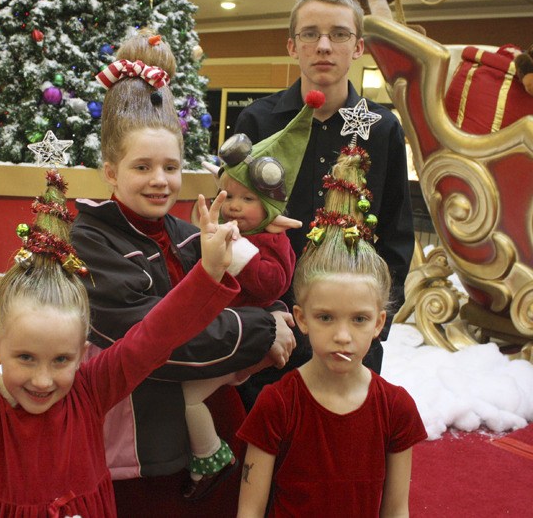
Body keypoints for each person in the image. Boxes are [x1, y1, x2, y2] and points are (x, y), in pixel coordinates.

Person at [0, 167, 241, 518]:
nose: (43, 379)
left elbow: (155, 336)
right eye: (26, 358)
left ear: (83, 354)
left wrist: (206, 274)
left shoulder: (91, 390)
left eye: (61, 359)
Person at [70, 29, 296, 511]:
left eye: (171, 167)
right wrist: (261, 328)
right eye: (142, 167)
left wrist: (274, 302)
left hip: (213, 430)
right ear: (110, 170)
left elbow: (246, 289)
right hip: (142, 448)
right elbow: (152, 338)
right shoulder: (89, 238)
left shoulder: (184, 230)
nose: (160, 181)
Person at [234, 0, 414, 396]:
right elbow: (235, 228)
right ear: (292, 46)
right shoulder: (258, 121)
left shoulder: (382, 129)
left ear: (359, 47)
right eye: (310, 33)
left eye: (339, 34)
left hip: (350, 335)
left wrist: (373, 323)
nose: (324, 46)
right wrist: (256, 315)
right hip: (272, 329)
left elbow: (396, 234)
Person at [236, 139, 427, 517]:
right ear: (302, 318)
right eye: (326, 318)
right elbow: (250, 511)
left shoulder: (396, 409)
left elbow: (396, 510)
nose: (343, 336)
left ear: (379, 323)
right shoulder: (277, 405)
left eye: (359, 319)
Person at [181, 90, 323, 499]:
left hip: (252, 341)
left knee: (189, 397)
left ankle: (211, 459)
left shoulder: (270, 241)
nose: (236, 208)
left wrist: (235, 252)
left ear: (268, 204)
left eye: (248, 199)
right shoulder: (235, 232)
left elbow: (271, 284)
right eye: (232, 198)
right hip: (224, 333)